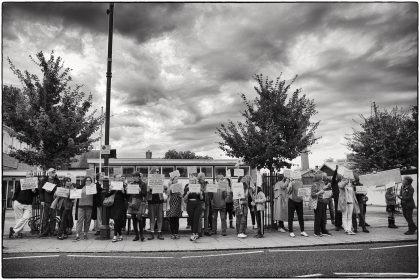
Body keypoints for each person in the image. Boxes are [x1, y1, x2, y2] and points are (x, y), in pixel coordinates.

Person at [39, 168, 60, 237]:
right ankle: (44, 232)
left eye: (55, 172)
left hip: (54, 201)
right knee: (45, 217)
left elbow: (58, 190)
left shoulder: (57, 181)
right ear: (49, 173)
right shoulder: (44, 180)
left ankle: (52, 231)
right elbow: (40, 191)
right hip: (46, 201)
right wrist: (42, 200)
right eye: (53, 172)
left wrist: (52, 190)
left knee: (53, 217)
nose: (54, 173)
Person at [106, 175, 128, 242]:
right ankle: (120, 235)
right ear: (114, 178)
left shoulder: (124, 185)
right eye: (117, 177)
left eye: (120, 177)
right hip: (114, 204)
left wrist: (124, 192)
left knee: (118, 219)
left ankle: (115, 236)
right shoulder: (112, 185)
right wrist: (109, 190)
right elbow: (106, 195)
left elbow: (127, 197)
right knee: (116, 220)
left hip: (121, 204)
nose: (119, 178)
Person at [311, 173, 331, 237]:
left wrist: (327, 187)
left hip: (323, 201)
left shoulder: (322, 183)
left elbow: (324, 190)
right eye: (321, 177)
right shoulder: (314, 185)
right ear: (319, 178)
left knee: (323, 217)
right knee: (318, 217)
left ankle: (323, 230)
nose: (322, 179)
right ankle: (316, 231)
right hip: (317, 202)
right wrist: (320, 192)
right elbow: (313, 195)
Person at [147, 167, 165, 240]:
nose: (157, 173)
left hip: (159, 200)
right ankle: (152, 233)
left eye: (158, 172)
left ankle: (159, 233)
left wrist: (164, 188)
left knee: (160, 218)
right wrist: (151, 188)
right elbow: (147, 190)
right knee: (152, 218)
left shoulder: (160, 180)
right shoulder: (148, 181)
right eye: (156, 172)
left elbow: (163, 190)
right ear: (152, 172)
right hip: (151, 201)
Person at [74, 177, 95, 241]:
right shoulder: (80, 187)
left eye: (89, 180)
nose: (88, 181)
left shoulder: (93, 187)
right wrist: (74, 190)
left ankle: (85, 234)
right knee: (79, 220)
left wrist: (93, 186)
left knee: (87, 221)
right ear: (84, 181)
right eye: (87, 180)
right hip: (81, 206)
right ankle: (77, 234)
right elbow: (75, 193)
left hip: (89, 206)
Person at [184, 175, 204, 241]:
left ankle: (194, 233)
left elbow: (201, 198)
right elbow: (184, 199)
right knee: (191, 219)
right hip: (190, 204)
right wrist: (187, 194)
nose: (192, 182)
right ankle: (194, 233)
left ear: (195, 181)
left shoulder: (199, 187)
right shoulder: (187, 187)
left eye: (193, 180)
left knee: (196, 219)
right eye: (190, 180)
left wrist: (200, 193)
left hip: (198, 204)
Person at [167, 174, 183, 239]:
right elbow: (168, 194)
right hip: (172, 203)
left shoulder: (179, 186)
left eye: (177, 179)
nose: (176, 180)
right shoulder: (170, 186)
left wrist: (180, 194)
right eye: (175, 179)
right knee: (172, 219)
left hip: (178, 203)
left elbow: (182, 195)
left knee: (176, 219)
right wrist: (169, 186)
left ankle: (176, 233)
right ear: (172, 180)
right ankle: (172, 233)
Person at [331, 166, 343, 231]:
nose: (339, 178)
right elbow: (333, 177)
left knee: (340, 212)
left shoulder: (341, 184)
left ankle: (340, 224)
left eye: (340, 177)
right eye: (339, 177)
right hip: (336, 200)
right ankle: (337, 225)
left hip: (341, 199)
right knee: (337, 212)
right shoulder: (333, 183)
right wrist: (336, 170)